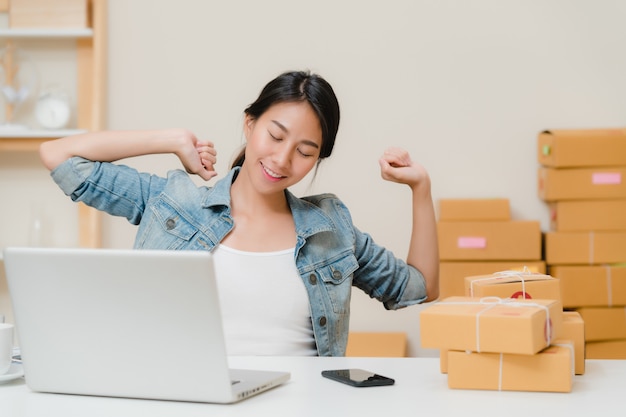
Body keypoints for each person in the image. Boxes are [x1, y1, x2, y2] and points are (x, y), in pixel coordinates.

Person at [39, 70, 439, 357]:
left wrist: (420, 188)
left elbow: (419, 287)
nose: (282, 159)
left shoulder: (332, 228)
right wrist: (170, 140)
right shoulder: (174, 202)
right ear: (250, 125)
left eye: (305, 151)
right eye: (275, 136)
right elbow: (58, 156)